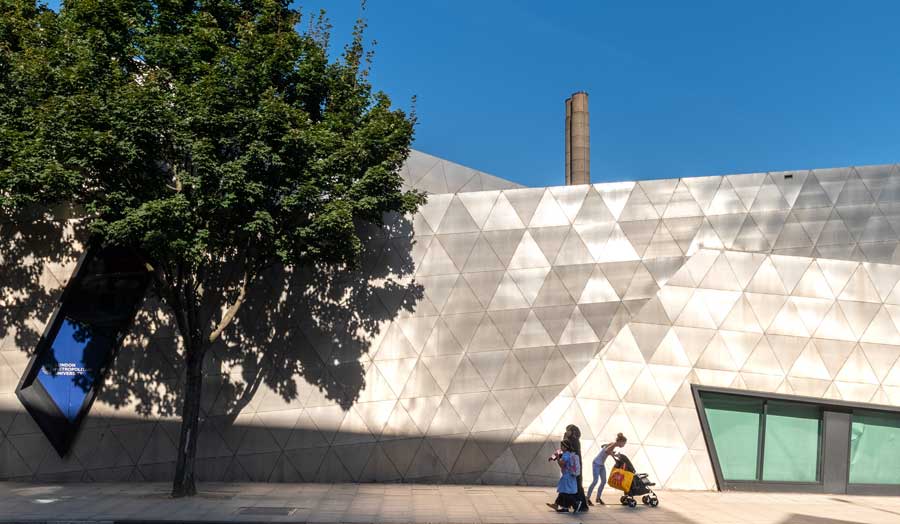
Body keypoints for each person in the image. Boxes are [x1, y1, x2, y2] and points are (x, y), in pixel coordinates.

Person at [587, 432, 627, 505]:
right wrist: (612, 455)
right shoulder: (614, 444)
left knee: (603, 481)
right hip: (596, 463)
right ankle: (587, 498)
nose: (624, 445)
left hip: (601, 465)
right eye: (624, 443)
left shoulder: (613, 444)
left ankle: (598, 498)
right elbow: (606, 451)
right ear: (620, 442)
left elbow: (605, 448)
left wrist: (613, 454)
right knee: (595, 481)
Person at [545, 440, 580, 512]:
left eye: (562, 446)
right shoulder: (566, 453)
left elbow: (562, 464)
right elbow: (557, 453)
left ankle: (576, 504)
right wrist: (552, 457)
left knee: (565, 492)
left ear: (566, 447)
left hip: (567, 476)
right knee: (563, 491)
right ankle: (558, 505)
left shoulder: (566, 455)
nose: (561, 447)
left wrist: (558, 458)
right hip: (568, 475)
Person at [564, 424, 588, 512]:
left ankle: (580, 504)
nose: (566, 432)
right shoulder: (571, 440)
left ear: (573, 432)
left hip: (574, 467)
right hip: (573, 466)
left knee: (576, 484)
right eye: (566, 430)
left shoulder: (574, 441)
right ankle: (572, 505)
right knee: (572, 484)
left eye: (568, 430)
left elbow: (564, 450)